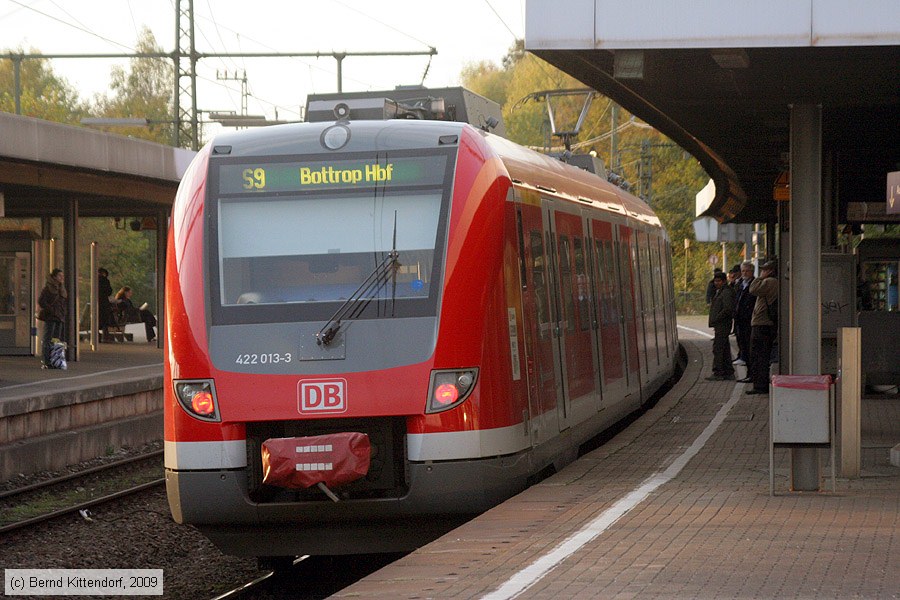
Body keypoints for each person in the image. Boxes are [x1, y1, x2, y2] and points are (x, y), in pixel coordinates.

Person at [745, 260, 778, 394]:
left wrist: (760, 277)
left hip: (763, 324)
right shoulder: (770, 282)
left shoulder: (770, 282)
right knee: (759, 355)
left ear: (770, 271)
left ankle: (760, 385)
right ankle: (759, 383)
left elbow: (752, 289)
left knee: (759, 356)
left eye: (765, 270)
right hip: (763, 323)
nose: (762, 272)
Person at [706, 270, 735, 381]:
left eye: (718, 281)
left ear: (724, 281)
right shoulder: (720, 292)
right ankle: (728, 371)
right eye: (715, 281)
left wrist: (717, 318)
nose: (716, 283)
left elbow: (728, 308)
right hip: (720, 324)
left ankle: (718, 372)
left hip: (723, 324)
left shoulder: (726, 292)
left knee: (718, 348)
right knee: (724, 348)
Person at [37, 268, 67, 368]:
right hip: (51, 317)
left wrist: (63, 313)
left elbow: (63, 303)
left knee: (56, 340)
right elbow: (41, 301)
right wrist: (51, 309)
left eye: (62, 276)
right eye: (59, 275)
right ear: (54, 277)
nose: (61, 277)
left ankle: (55, 360)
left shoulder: (61, 288)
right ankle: (46, 361)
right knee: (48, 339)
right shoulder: (48, 288)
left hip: (59, 317)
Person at [732, 261, 755, 367]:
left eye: (747, 271)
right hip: (739, 318)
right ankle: (742, 356)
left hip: (748, 318)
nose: (744, 273)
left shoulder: (754, 284)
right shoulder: (740, 284)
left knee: (747, 340)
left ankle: (746, 359)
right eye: (743, 271)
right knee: (740, 338)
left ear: (752, 272)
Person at [97, 267, 114, 337]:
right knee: (105, 319)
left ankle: (97, 335)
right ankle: (105, 335)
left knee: (98, 319)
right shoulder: (105, 281)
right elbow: (109, 291)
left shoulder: (95, 280)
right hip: (104, 302)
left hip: (96, 301)